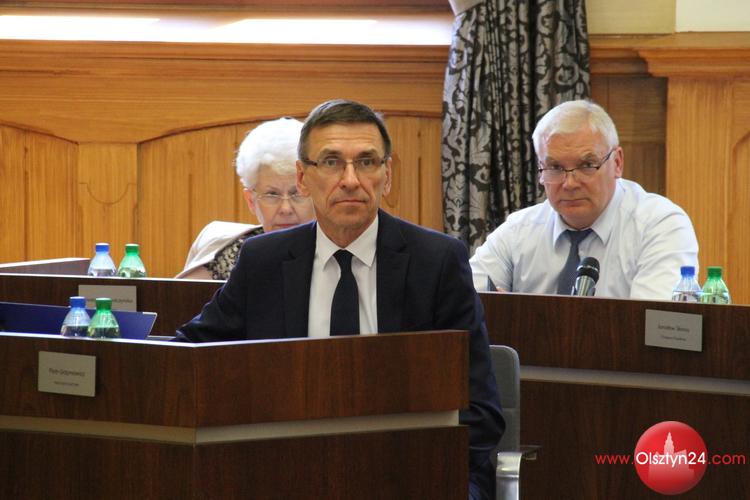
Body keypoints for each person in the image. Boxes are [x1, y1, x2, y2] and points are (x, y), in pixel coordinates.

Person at [176, 99, 504, 500]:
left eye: (366, 162)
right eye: (331, 162)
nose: (350, 180)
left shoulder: (435, 262)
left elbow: (480, 410)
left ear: (386, 176)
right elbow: (189, 356)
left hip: (410, 471)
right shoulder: (264, 261)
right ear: (303, 177)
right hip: (286, 471)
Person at [470, 99, 699, 299]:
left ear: (617, 163)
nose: (570, 183)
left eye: (587, 165)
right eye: (555, 167)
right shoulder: (518, 231)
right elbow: (466, 304)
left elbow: (652, 324)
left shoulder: (660, 225)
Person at [176, 117, 315, 279]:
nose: (286, 209)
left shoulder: (334, 251)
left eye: (296, 193)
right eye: (271, 194)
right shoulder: (230, 257)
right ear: (251, 201)